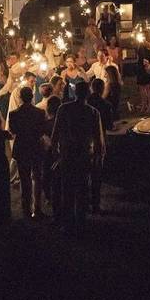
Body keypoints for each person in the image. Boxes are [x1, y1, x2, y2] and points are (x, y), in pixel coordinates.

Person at [49, 81, 106, 236]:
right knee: (81, 189)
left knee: (67, 190)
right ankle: (79, 222)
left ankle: (69, 223)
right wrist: (98, 157)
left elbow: (55, 135)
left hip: (68, 155)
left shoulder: (64, 109)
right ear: (87, 93)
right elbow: (98, 139)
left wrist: (56, 153)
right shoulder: (92, 112)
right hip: (83, 155)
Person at [8, 86, 47, 219]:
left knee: (25, 179)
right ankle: (37, 208)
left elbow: (13, 131)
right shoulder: (40, 113)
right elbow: (42, 130)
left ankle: (26, 210)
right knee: (37, 177)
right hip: (35, 147)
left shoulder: (14, 114)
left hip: (22, 148)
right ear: (31, 97)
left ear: (20, 97)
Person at [86, 78, 114, 214]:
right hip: (98, 141)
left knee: (84, 174)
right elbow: (109, 125)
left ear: (91, 88)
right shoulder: (105, 105)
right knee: (96, 174)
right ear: (102, 89)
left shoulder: (84, 103)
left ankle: (84, 202)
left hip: (83, 142)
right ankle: (95, 204)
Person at [135, 34, 150, 115]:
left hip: (147, 67)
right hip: (140, 67)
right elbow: (138, 56)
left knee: (148, 87)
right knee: (141, 87)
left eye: (143, 37)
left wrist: (146, 42)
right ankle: (144, 104)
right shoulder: (140, 46)